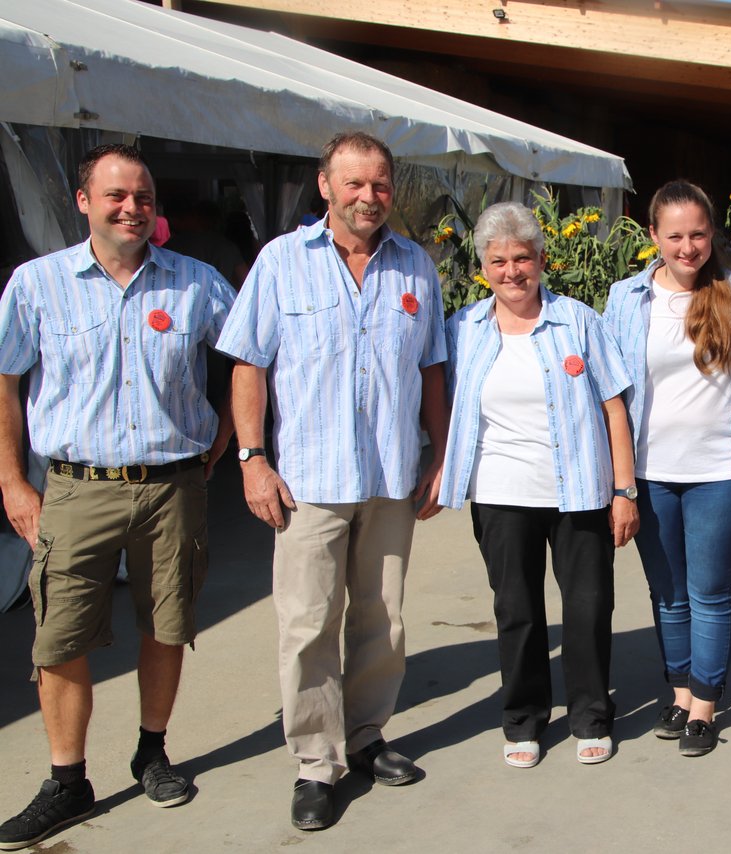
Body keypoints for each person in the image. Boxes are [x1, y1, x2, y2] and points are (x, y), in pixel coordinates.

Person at [0, 144, 236, 850]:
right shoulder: (36, 285)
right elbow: (5, 383)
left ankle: (152, 752)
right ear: (83, 202)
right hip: (76, 488)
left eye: (143, 197)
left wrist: (228, 445)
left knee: (167, 625)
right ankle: (67, 779)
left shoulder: (197, 284)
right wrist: (12, 480)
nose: (132, 207)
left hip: (173, 487)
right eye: (116, 196)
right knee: (60, 636)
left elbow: (252, 360)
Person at [216, 132, 449, 830]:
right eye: (354, 185)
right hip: (309, 480)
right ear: (326, 187)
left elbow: (432, 369)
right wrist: (252, 458)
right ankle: (317, 763)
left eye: (379, 185)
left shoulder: (416, 268)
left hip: (388, 474)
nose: (368, 198)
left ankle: (369, 736)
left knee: (382, 616)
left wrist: (437, 456)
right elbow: (249, 365)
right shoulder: (282, 263)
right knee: (309, 622)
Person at [438, 202, 638, 770]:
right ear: (483, 267)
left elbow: (613, 406)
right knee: (517, 611)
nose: (511, 272)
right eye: (498, 261)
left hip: (578, 490)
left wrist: (625, 491)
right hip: (501, 493)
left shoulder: (578, 321)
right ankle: (523, 719)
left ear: (541, 259)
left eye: (522, 258)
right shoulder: (465, 329)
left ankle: (591, 715)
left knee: (588, 608)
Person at [603, 181, 731, 757]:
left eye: (698, 233)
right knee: (667, 593)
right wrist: (619, 479)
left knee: (710, 591)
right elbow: (612, 390)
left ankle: (704, 703)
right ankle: (678, 690)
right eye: (675, 235)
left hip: (725, 471)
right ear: (653, 237)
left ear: (712, 233)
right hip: (650, 472)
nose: (688, 246)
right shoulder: (626, 299)